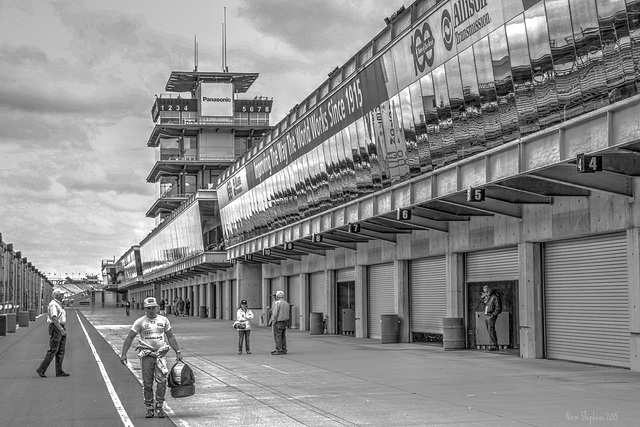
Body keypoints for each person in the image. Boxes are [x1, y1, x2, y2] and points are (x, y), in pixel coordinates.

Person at [120, 297, 183, 419]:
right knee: (147, 383)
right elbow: (130, 337)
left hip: (160, 355)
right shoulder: (140, 322)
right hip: (147, 356)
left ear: (157, 307)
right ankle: (149, 407)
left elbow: (170, 337)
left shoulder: (164, 320)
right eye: (149, 308)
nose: (151, 310)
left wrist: (178, 351)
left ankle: (159, 406)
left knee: (162, 382)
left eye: (153, 307)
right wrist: (124, 354)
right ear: (145, 309)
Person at [36, 289, 69, 378]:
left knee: (61, 350)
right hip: (56, 327)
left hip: (59, 326)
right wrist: (61, 329)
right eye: (61, 295)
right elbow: (54, 318)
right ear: (56, 296)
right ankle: (41, 369)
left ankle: (59, 371)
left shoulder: (58, 304)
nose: (63, 296)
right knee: (54, 349)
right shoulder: (53, 305)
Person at [270, 290, 290, 355]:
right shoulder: (286, 303)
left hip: (278, 321)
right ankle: (284, 349)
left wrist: (273, 320)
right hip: (285, 321)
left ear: (277, 296)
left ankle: (279, 350)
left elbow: (275, 313)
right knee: (283, 336)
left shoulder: (277, 303)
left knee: (278, 336)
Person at [483, 285, 502, 351]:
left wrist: (492, 315)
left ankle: (494, 345)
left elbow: (498, 308)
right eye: (485, 292)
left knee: (491, 330)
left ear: (490, 290)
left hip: (490, 315)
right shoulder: (489, 297)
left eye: (487, 291)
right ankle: (493, 344)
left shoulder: (494, 297)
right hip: (487, 315)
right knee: (489, 330)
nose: (486, 292)